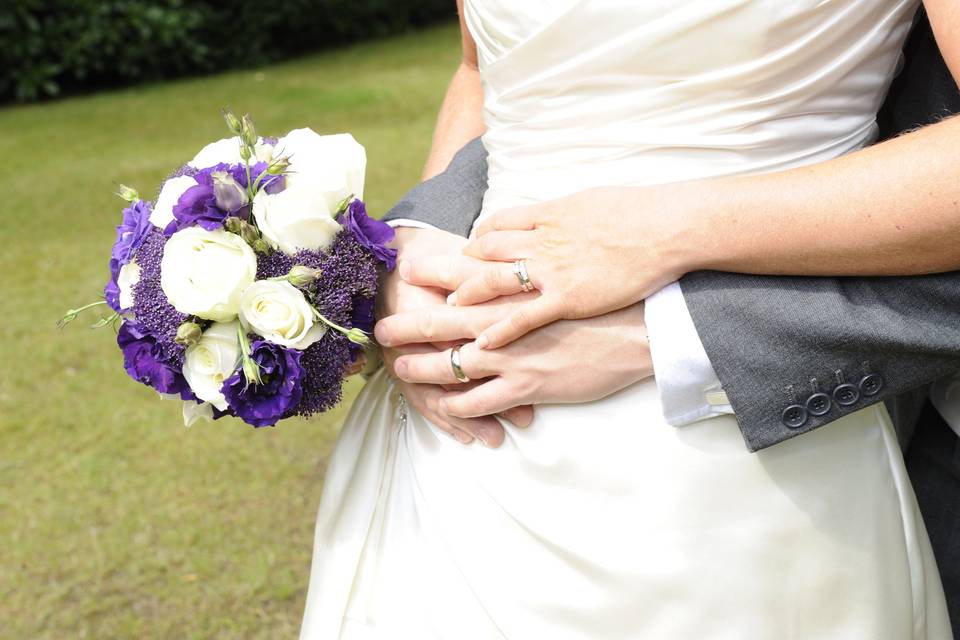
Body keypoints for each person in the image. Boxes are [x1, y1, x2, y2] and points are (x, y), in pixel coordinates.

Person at [300, 2, 960, 638]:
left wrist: (664, 233)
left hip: (727, 472)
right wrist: (417, 256)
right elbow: (482, 74)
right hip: (458, 439)